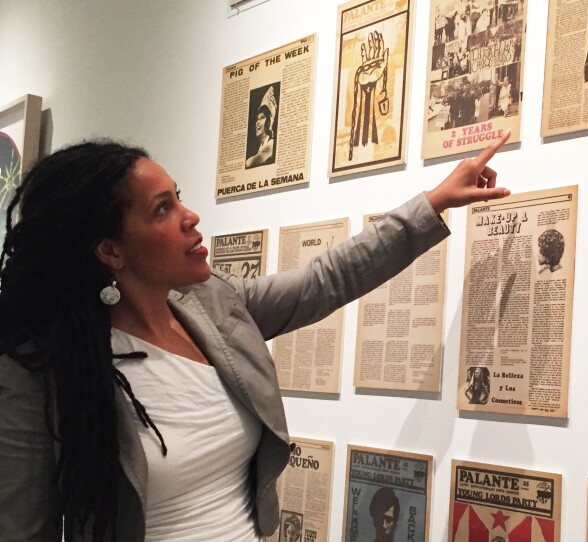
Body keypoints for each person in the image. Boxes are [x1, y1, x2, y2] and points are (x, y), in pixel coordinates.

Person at [0, 131, 511, 540]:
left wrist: (433, 202)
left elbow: (323, 281)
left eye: (179, 198)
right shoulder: (42, 368)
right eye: (162, 209)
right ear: (111, 250)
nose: (190, 217)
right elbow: (23, 527)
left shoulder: (211, 306)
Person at [245, 86, 277, 169]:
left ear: (269, 121)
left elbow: (249, 163)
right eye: (257, 119)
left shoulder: (271, 144)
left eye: (262, 117)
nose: (257, 122)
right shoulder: (260, 147)